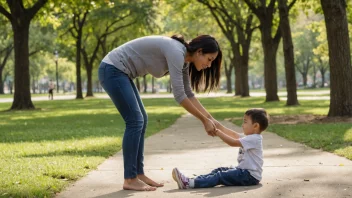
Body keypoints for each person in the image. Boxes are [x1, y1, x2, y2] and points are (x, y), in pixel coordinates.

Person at [98, 34, 222, 191]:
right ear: (199, 52)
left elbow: (188, 93)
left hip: (120, 72)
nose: (209, 65)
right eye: (209, 59)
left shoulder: (184, 59)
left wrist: (210, 118)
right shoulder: (177, 52)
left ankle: (138, 174)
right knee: (135, 121)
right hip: (112, 70)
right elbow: (179, 96)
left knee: (141, 119)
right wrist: (204, 120)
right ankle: (130, 178)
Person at [172, 108, 269, 189]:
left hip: (249, 176)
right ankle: (192, 180)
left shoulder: (254, 139)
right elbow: (233, 134)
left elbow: (233, 142)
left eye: (245, 122)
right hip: (244, 172)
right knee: (218, 170)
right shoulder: (249, 137)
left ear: (256, 126)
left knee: (220, 176)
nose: (242, 125)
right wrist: (218, 126)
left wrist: (218, 132)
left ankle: (189, 184)